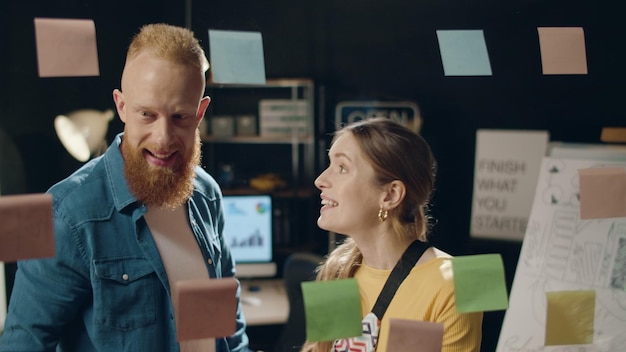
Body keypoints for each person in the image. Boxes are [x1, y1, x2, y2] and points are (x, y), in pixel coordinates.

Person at [0, 23, 248, 351]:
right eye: (147, 114)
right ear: (121, 106)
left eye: (180, 117)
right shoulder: (64, 214)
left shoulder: (206, 194)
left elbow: (226, 331)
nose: (163, 139)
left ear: (200, 112)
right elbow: (23, 345)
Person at [303, 117, 482, 352]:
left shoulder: (455, 283)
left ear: (390, 195)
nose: (320, 180)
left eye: (342, 168)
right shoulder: (336, 270)